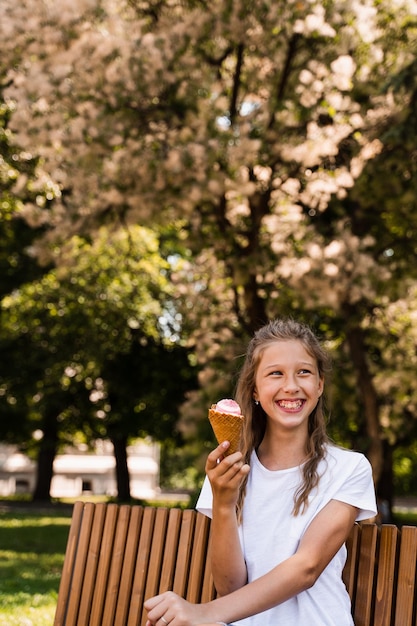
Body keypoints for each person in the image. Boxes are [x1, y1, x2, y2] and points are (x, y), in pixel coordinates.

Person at [145, 318, 377, 626]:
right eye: (275, 374)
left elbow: (306, 568)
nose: (291, 386)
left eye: (304, 372)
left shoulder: (349, 469)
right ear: (255, 389)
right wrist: (224, 503)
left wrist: (203, 612)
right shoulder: (227, 470)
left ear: (319, 385)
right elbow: (230, 588)